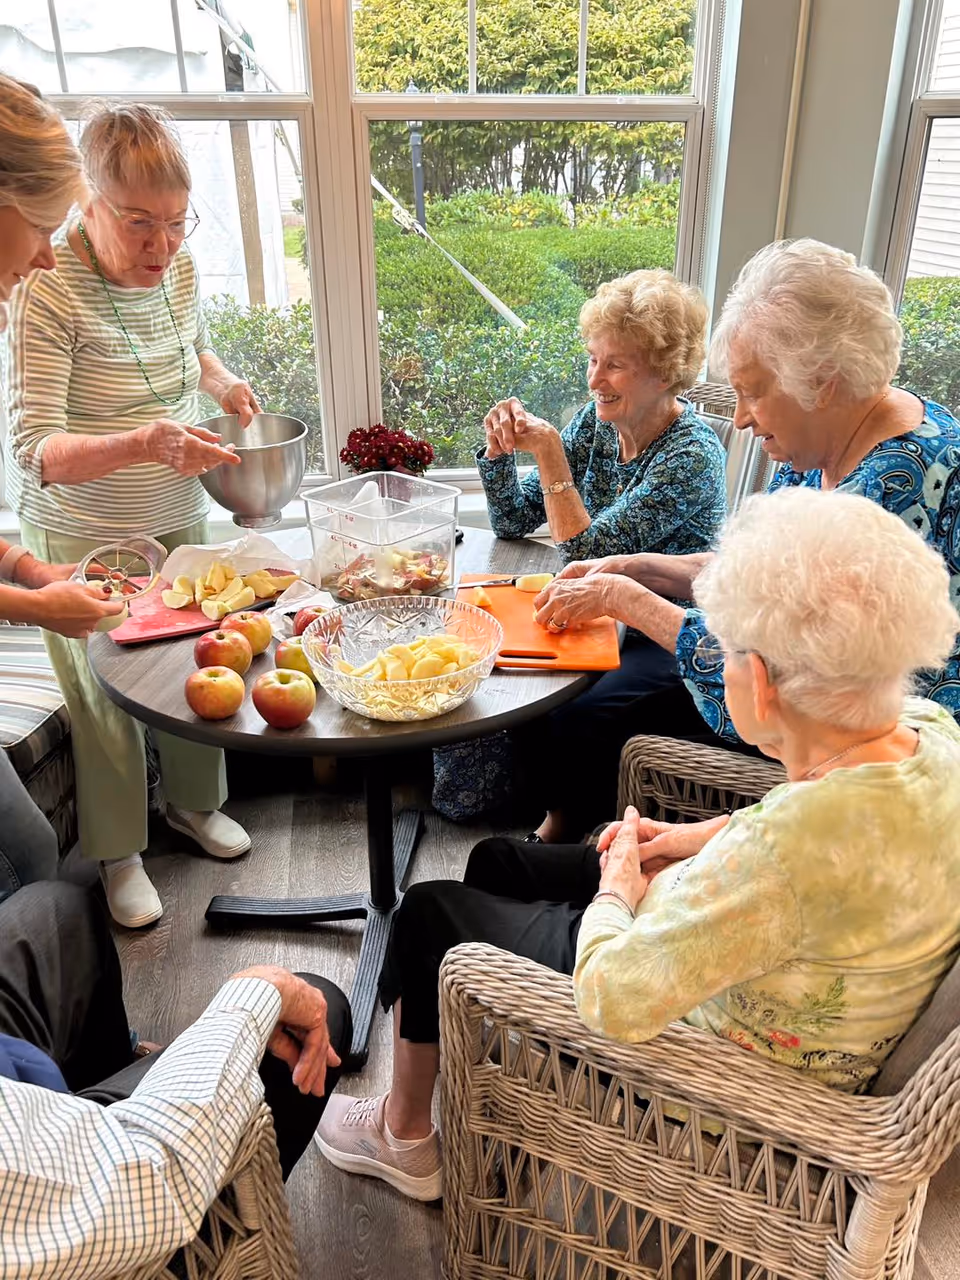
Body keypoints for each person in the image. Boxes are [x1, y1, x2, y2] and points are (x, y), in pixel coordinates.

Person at [315, 487, 960, 1200]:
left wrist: (620, 889)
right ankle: (497, 1069)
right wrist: (689, 838)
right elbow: (814, 820)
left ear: (764, 683)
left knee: (428, 914)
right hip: (758, 947)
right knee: (497, 862)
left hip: (702, 1058)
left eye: (723, 645)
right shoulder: (929, 735)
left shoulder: (785, 854)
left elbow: (617, 996)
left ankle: (404, 1137)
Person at [529, 237, 960, 827]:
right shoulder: (819, 443)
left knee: (591, 713)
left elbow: (771, 683)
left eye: (752, 391)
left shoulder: (889, 498)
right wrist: (633, 567)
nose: (738, 417)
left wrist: (626, 600)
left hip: (872, 770)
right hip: (789, 703)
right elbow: (753, 575)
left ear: (823, 381)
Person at [4, 98, 266, 928]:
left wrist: (221, 383)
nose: (163, 246)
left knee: (195, 663)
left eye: (179, 224)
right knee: (108, 693)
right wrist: (145, 439)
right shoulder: (43, 286)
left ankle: (192, 806)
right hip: (85, 529)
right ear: (87, 202)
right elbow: (34, 447)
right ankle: (118, 851)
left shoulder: (177, 268)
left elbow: (189, 345)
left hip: (176, 508)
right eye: (140, 223)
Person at [434, 270, 726, 827]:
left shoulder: (692, 457)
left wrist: (547, 451)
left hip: (667, 632)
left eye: (615, 364)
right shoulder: (598, 420)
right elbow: (516, 518)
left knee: (577, 712)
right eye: (593, 359)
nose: (596, 379)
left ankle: (561, 823)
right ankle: (491, 797)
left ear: (665, 374)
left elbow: (580, 550)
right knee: (474, 648)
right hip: (599, 610)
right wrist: (498, 452)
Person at [0, 879, 351, 1280]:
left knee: (59, 914)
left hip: (20, 1092)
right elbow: (144, 1188)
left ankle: (110, 1080)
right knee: (310, 1019)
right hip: (97, 1189)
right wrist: (258, 995)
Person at [0, 75, 130, 901]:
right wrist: (41, 606)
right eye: (43, 227)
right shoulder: (51, 302)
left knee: (32, 856)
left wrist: (21, 568)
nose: (48, 254)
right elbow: (34, 448)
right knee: (24, 866)